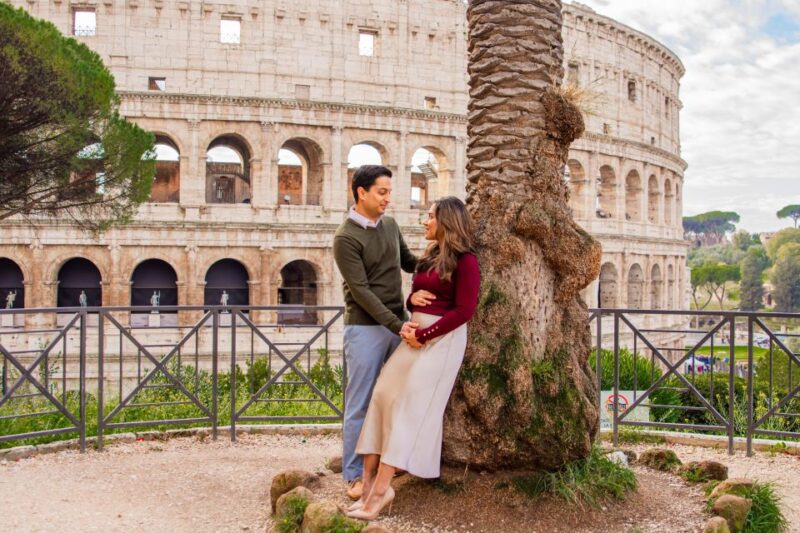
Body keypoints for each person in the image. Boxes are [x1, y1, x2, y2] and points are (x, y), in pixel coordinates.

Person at [347, 196, 480, 521]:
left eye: (430, 216)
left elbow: (465, 310)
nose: (425, 221)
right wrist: (410, 299)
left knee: (407, 406)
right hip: (413, 335)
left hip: (441, 342)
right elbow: (419, 291)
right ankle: (366, 487)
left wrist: (423, 334)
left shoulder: (466, 261)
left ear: (446, 221)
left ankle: (381, 490)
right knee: (381, 396)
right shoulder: (431, 255)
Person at [333, 165, 419, 500]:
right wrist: (399, 325)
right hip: (366, 328)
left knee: (399, 396)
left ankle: (390, 460)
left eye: (388, 191)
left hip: (397, 323)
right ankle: (354, 475)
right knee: (360, 402)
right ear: (361, 192)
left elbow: (409, 262)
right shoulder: (345, 238)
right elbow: (362, 292)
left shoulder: (391, 225)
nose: (388, 198)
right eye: (382, 192)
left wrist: (445, 259)